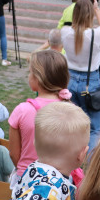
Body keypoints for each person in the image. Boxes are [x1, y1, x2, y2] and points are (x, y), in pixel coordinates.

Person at [8, 49, 72, 179]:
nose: (28, 76)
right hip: (59, 181)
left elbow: (14, 154)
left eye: (30, 72)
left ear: (38, 78)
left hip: (27, 180)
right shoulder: (71, 110)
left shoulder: (22, 110)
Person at [60, 0, 100, 149]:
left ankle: (71, 157)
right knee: (95, 126)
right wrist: (97, 9)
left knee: (71, 123)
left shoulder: (65, 32)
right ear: (90, 16)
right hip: (90, 80)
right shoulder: (97, 35)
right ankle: (91, 161)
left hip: (69, 79)